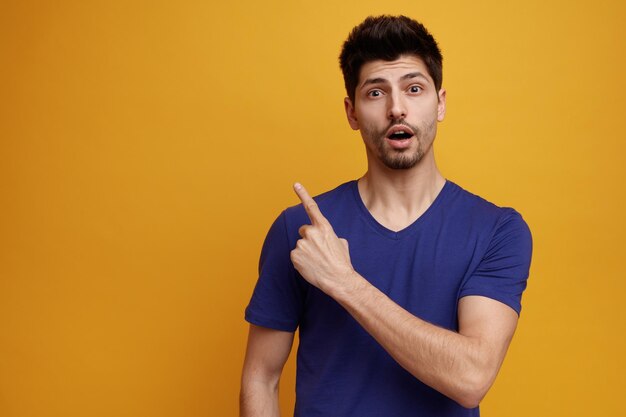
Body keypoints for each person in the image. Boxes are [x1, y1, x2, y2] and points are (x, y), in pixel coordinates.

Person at [240, 15, 532, 417]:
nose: (397, 108)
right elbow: (261, 378)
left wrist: (344, 282)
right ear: (352, 112)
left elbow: (471, 378)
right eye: (376, 93)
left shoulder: (497, 230)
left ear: (440, 103)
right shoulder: (301, 230)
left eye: (414, 89)